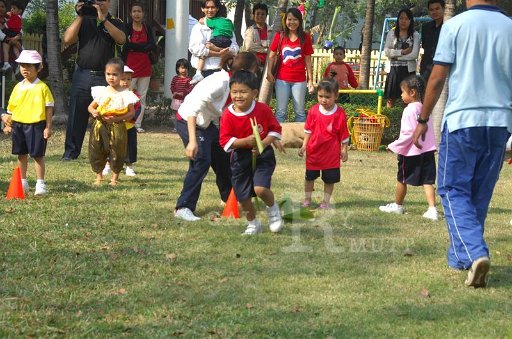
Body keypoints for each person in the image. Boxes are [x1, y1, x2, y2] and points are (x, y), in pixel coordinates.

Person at [412, 0, 512, 288]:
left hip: (463, 121)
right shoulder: (509, 27)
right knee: (479, 191)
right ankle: (460, 255)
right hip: (499, 124)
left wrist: (423, 118)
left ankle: (475, 252)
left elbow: (437, 77)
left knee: (452, 188)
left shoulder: (455, 25)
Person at [175, 52, 271, 222]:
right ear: (243, 70)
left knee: (223, 158)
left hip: (205, 124)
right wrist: (192, 141)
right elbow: (192, 110)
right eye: (254, 71)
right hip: (188, 121)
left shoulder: (236, 87)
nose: (255, 76)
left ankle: (230, 199)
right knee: (201, 160)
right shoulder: (220, 82)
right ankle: (183, 207)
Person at [219, 70, 284, 235]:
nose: (238, 96)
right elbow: (225, 141)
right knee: (243, 197)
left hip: (263, 155)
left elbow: (275, 130)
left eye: (243, 92)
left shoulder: (262, 110)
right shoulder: (227, 115)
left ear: (254, 93)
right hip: (240, 158)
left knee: (260, 189)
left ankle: (273, 210)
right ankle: (253, 223)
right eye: (234, 92)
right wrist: (244, 142)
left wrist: (263, 143)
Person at [62, 0, 126, 161]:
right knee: (77, 115)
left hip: (105, 77)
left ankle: (107, 154)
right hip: (82, 74)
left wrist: (103, 19)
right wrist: (81, 15)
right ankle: (70, 153)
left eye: (102, 0)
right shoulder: (84, 21)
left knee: (105, 115)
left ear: (108, 2)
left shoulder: (115, 21)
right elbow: (68, 39)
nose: (98, 3)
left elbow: (121, 39)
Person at [379, 75, 438, 220]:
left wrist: (393, 146)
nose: (401, 95)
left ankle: (398, 206)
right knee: (428, 181)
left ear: (412, 92)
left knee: (402, 179)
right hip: (428, 151)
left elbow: (408, 134)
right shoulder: (426, 109)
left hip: (411, 153)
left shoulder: (409, 110)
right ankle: (432, 209)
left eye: (402, 92)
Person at [1, 50, 54, 196]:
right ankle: (23, 182)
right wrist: (7, 124)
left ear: (38, 68)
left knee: (37, 155)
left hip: (36, 125)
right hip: (18, 126)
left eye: (29, 66)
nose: (25, 69)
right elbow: (11, 108)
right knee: (21, 154)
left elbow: (49, 108)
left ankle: (40, 184)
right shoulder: (18, 87)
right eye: (22, 65)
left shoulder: (42, 87)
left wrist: (48, 127)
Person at [298, 77, 349, 209]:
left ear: (336, 96)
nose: (323, 100)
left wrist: (344, 150)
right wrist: (304, 146)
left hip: (331, 154)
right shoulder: (313, 111)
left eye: (327, 96)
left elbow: (343, 134)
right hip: (313, 151)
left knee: (329, 179)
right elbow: (308, 130)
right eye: (320, 96)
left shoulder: (339, 114)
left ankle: (325, 202)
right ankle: (307, 200)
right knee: (309, 178)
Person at [88, 58, 138, 186]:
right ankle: (99, 176)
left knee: (117, 151)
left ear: (121, 75)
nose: (111, 77)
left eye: (115, 74)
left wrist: (117, 118)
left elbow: (131, 112)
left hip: (118, 126)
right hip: (100, 125)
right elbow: (91, 106)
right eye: (108, 74)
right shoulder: (102, 91)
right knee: (97, 149)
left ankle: (114, 178)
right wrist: (94, 112)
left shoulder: (126, 94)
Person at [267, 8, 314, 123]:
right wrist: (269, 72)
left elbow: (308, 60)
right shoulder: (280, 36)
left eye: (295, 19)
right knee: (280, 112)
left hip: (299, 81)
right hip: (282, 80)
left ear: (300, 21)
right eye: (289, 19)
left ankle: (300, 140)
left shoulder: (305, 37)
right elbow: (271, 56)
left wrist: (310, 80)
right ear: (285, 20)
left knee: (300, 112)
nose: (292, 22)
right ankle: (278, 139)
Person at [122, 1, 156, 134]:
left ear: (143, 14)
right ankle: (125, 121)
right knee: (128, 94)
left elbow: (152, 45)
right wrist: (142, 47)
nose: (137, 14)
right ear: (131, 13)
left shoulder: (147, 27)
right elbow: (126, 45)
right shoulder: (127, 27)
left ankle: (137, 124)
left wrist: (135, 46)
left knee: (142, 97)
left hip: (145, 66)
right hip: (130, 67)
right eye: (134, 11)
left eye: (139, 11)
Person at [188, 0, 239, 84]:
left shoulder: (226, 27)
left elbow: (235, 49)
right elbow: (196, 49)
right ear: (202, 9)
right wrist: (219, 53)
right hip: (203, 73)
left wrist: (218, 49)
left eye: (213, 7)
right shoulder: (198, 27)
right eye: (207, 7)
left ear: (217, 9)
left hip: (222, 71)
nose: (210, 10)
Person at [383, 8, 420, 108]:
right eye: (401, 18)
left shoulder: (415, 35)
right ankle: (390, 119)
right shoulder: (391, 33)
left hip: (408, 71)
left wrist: (395, 56)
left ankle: (406, 120)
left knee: (408, 99)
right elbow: (386, 52)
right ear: (398, 20)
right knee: (390, 98)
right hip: (393, 70)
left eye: (407, 19)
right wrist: (402, 52)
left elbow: (414, 55)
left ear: (410, 20)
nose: (403, 21)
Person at [420, 0, 445, 82]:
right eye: (431, 9)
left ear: (443, 8)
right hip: (426, 69)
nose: (434, 12)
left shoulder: (449, 26)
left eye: (437, 8)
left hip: (443, 68)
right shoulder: (426, 27)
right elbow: (425, 47)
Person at [242, 3, 271, 69]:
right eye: (257, 13)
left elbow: (274, 46)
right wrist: (266, 48)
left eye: (263, 14)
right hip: (254, 65)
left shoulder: (271, 31)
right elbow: (249, 47)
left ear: (266, 15)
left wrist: (259, 45)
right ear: (253, 15)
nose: (260, 16)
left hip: (269, 65)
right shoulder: (250, 30)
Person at [170, 58, 193, 131]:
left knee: (183, 113)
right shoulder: (175, 78)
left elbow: (190, 88)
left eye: (186, 68)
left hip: (184, 100)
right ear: (178, 68)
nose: (184, 70)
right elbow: (172, 86)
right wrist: (174, 92)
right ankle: (176, 126)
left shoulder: (188, 79)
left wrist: (183, 93)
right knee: (175, 113)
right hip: (176, 99)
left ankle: (183, 126)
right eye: (182, 68)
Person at [1, 0, 22, 72]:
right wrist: (15, 41)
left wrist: (17, 37)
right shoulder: (13, 17)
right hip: (1, 57)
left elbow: (20, 31)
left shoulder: (9, 17)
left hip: (11, 58)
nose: (1, 8)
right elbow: (1, 36)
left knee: (8, 80)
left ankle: (8, 64)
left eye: (2, 7)